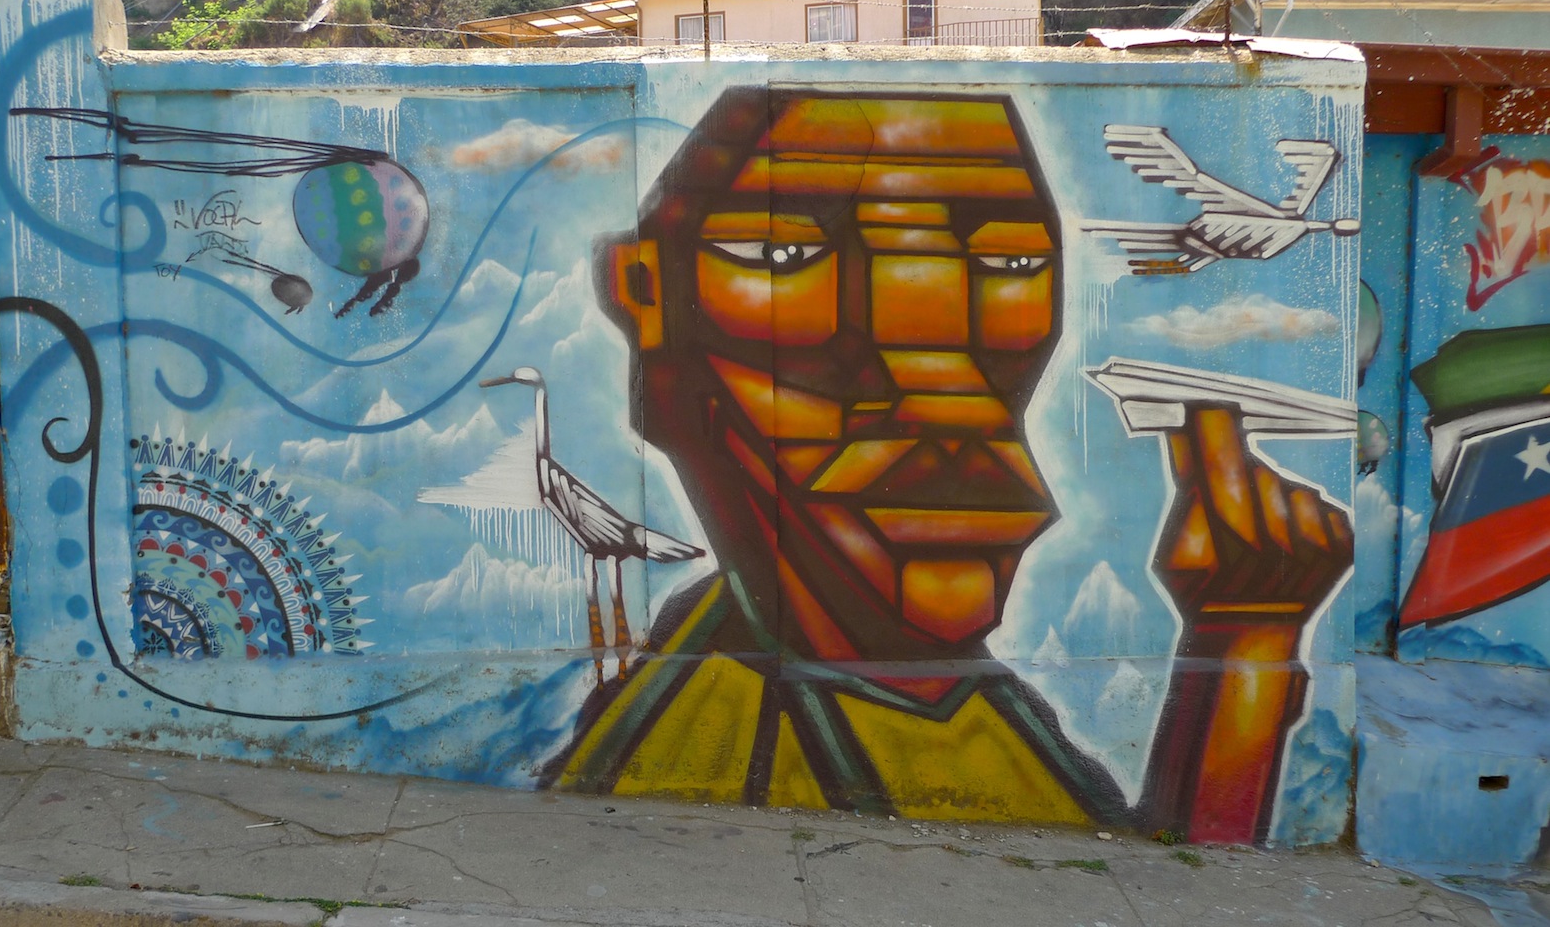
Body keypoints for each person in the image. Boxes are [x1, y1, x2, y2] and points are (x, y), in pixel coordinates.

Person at [543, 88, 1351, 843]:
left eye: (1009, 266)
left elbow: (1149, 861)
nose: (936, 385)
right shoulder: (718, 716)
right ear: (642, 291)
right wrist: (1244, 653)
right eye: (782, 254)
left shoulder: (944, 695)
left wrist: (1244, 638)